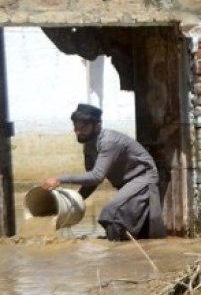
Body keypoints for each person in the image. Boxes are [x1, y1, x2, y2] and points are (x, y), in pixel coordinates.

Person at [42, 103, 166, 242]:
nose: (77, 131)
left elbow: (96, 176)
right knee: (130, 225)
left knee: (111, 212)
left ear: (97, 125)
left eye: (83, 127)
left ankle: (114, 251)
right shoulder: (88, 145)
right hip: (125, 184)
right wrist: (76, 200)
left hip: (143, 177)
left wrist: (60, 178)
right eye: (76, 127)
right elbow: (92, 181)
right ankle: (122, 249)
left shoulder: (108, 141)